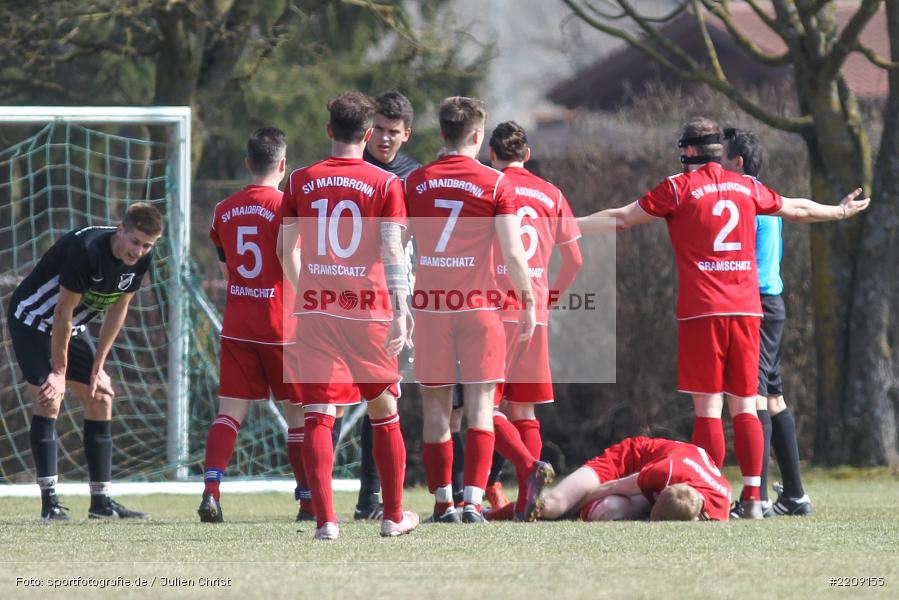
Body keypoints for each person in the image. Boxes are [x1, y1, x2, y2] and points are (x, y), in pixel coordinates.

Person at [576, 116, 869, 518]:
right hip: (749, 310)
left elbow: (620, 218)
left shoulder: (678, 187)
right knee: (747, 406)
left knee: (708, 409)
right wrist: (838, 212)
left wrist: (564, 227)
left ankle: (712, 495)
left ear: (687, 151)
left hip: (703, 311)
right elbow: (796, 208)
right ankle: (752, 499)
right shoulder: (747, 185)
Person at [279, 91, 418, 540]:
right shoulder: (386, 184)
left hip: (318, 311)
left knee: (320, 412)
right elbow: (393, 249)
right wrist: (400, 309)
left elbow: (287, 249)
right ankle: (393, 516)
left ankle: (326, 522)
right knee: (384, 409)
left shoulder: (301, 179)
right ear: (368, 133)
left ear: (328, 131)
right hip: (369, 310)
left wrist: (308, 291)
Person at [405, 96, 540, 524]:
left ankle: (443, 503)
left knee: (436, 408)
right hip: (481, 308)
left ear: (442, 133)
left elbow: (397, 244)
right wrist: (530, 301)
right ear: (478, 136)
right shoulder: (496, 184)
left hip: (431, 308)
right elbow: (515, 254)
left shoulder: (414, 181)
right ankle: (471, 502)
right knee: (482, 406)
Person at [7, 202, 164, 521]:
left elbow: (119, 311)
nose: (139, 251)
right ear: (121, 229)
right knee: (50, 398)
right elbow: (62, 311)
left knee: (100, 398)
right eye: (135, 241)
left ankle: (101, 503)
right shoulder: (86, 249)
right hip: (34, 319)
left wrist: (98, 367)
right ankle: (50, 503)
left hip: (71, 327)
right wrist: (59, 373)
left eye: (147, 245)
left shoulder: (141, 260)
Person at [198, 127, 308, 523]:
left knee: (228, 414)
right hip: (283, 326)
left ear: (248, 163)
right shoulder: (288, 207)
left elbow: (227, 266)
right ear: (283, 165)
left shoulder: (223, 209)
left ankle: (211, 489)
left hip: (238, 324)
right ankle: (307, 500)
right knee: (298, 417)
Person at [485, 121, 583, 521]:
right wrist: (550, 300)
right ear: (527, 155)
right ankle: (530, 497)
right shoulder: (552, 193)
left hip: (493, 308)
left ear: (491, 155)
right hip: (535, 311)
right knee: (525, 412)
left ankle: (507, 478)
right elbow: (575, 260)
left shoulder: (489, 187)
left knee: (484, 408)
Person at [721, 127, 812, 517]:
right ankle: (794, 495)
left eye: (721, 157)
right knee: (774, 398)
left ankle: (754, 499)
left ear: (737, 162)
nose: (716, 164)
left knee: (753, 395)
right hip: (771, 302)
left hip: (756, 303)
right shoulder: (763, 194)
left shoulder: (745, 199)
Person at [353, 90, 423, 521]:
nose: (383, 138)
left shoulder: (414, 176)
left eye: (392, 131)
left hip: (395, 297)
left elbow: (413, 236)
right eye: (377, 129)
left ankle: (372, 496)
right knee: (332, 401)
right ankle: (314, 499)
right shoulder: (352, 169)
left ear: (406, 135)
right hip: (349, 295)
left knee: (385, 400)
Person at [530, 437, 731, 522]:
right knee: (552, 506)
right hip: (628, 460)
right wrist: (566, 512)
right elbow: (612, 486)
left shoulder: (720, 505)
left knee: (607, 510)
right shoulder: (666, 471)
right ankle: (501, 511)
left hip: (649, 487)